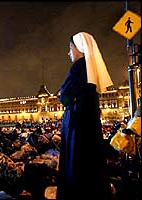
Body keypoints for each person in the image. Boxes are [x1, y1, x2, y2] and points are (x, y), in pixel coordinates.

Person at [56, 32, 113, 200]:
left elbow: (65, 95)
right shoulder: (91, 69)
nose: (69, 53)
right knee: (90, 164)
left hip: (76, 124)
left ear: (79, 48)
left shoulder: (79, 66)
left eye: (70, 48)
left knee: (76, 164)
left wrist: (62, 95)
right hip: (89, 123)